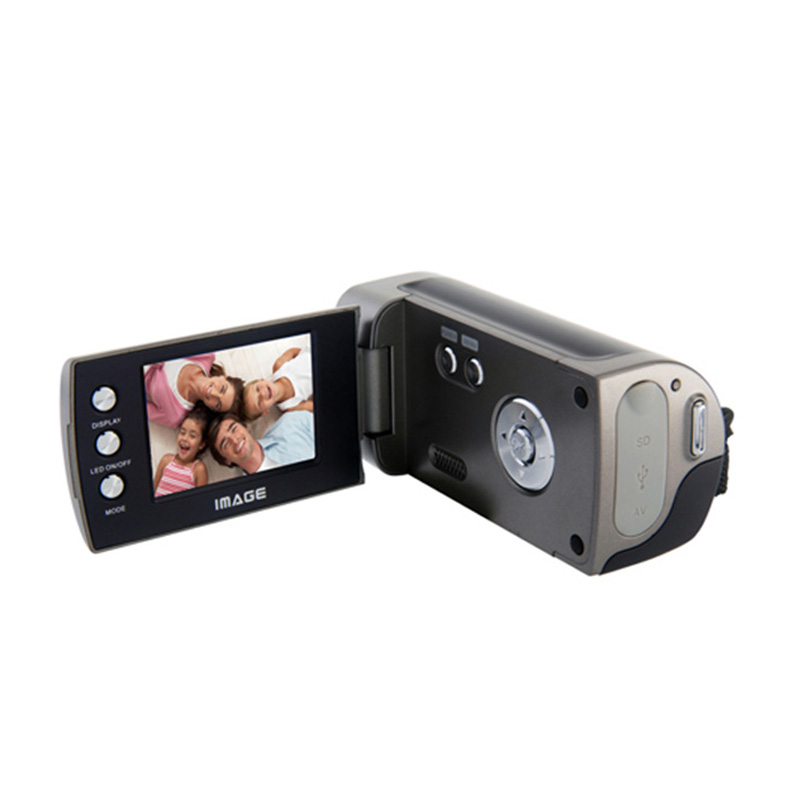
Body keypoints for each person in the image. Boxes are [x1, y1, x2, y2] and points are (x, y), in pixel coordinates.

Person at [144, 352, 244, 427]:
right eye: (222, 389)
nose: (213, 394)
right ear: (223, 377)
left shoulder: (176, 415)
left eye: (218, 404)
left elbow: (142, 408)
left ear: (212, 409)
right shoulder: (205, 354)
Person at [208, 410, 315, 474]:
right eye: (225, 444)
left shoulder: (292, 424)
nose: (234, 440)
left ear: (246, 428)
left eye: (234, 429)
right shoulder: (247, 498)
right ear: (226, 461)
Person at [242, 347, 313, 421]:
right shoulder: (290, 407)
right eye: (259, 402)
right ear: (264, 412)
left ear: (261, 380)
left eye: (257, 389)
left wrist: (303, 352)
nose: (262, 394)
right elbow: (312, 407)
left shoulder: (278, 366)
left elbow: (293, 352)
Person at [153, 405, 210, 496]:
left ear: (202, 444)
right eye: (182, 433)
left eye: (192, 436)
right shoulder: (166, 460)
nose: (185, 439)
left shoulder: (198, 469)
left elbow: (201, 501)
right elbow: (152, 493)